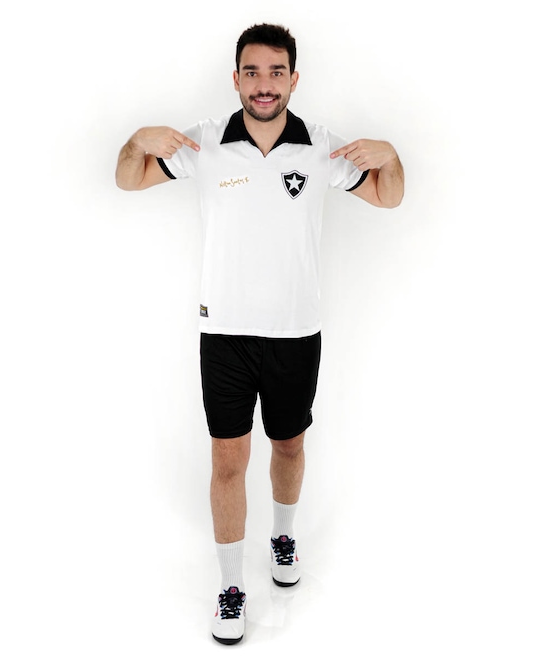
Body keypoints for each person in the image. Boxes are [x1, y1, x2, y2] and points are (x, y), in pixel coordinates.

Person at [115, 23, 404, 645]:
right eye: (253, 72)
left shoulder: (322, 147)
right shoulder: (203, 143)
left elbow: (388, 197)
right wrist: (135, 141)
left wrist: (393, 158)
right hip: (224, 331)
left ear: (294, 79)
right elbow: (128, 178)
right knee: (227, 459)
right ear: (236, 79)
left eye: (276, 72)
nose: (264, 84)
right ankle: (230, 586)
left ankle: (283, 537)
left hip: (296, 331)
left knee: (289, 445)